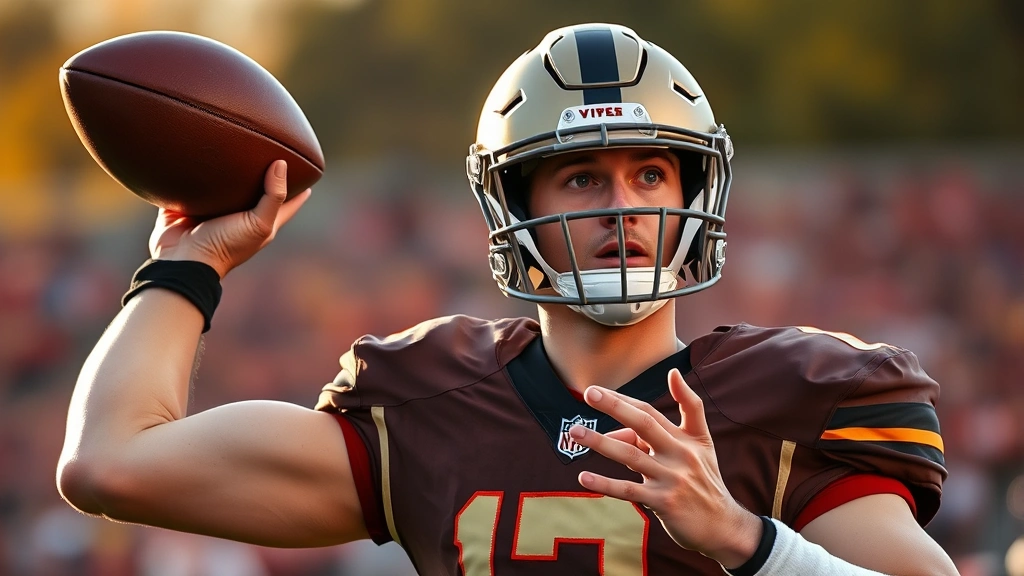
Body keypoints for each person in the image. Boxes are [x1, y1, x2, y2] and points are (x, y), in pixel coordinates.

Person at [58, 23, 960, 575]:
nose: (622, 205)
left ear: (692, 195)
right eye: (579, 177)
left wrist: (744, 540)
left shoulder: (798, 396)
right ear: (513, 204)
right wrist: (189, 265)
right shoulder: (426, 402)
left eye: (651, 172)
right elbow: (110, 464)